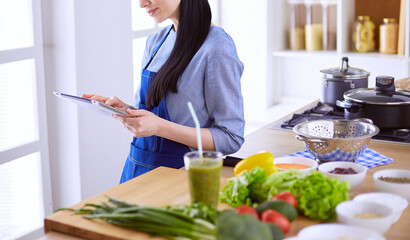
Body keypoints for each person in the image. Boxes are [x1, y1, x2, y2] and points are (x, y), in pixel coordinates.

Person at [83, 0, 245, 183]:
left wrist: (160, 127)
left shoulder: (216, 46)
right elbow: (153, 115)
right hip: (136, 169)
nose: (142, 4)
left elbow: (231, 137)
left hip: (181, 178)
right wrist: (125, 109)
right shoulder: (156, 42)